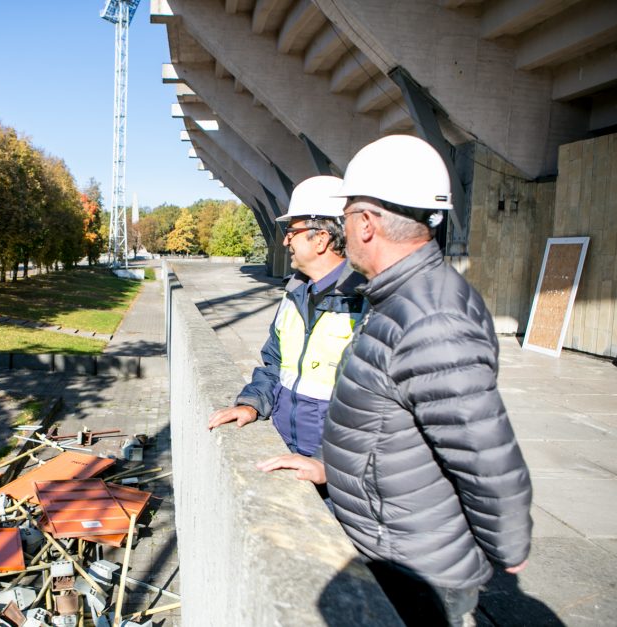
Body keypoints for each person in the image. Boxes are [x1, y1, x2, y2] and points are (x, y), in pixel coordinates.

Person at [260, 135, 533, 627]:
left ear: (365, 223)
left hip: (418, 566)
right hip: (391, 541)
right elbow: (391, 422)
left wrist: (506, 543)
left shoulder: (430, 316)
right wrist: (330, 469)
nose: (341, 233)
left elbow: (482, 449)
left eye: (344, 219)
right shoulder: (397, 299)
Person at [208, 176, 365, 468]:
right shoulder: (294, 294)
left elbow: (375, 406)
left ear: (321, 238)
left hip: (338, 470)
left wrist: (328, 462)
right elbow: (275, 365)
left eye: (292, 231)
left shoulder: (365, 302)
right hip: (288, 450)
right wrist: (252, 404)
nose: (285, 240)